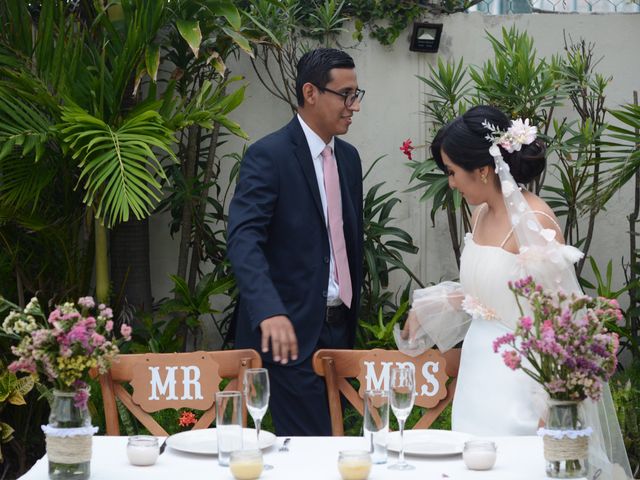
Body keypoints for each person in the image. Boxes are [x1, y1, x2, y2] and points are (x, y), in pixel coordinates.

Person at [395, 105, 632, 479]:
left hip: (519, 382)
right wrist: (430, 305)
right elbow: (488, 291)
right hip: (477, 378)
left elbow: (562, 318)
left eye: (453, 172)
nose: (451, 183)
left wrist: (553, 407)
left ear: (483, 170)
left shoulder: (534, 221)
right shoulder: (481, 214)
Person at [227, 48, 364, 436]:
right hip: (287, 332)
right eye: (346, 94)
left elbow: (346, 242)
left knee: (332, 442)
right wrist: (269, 310)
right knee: (315, 447)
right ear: (310, 92)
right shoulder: (268, 156)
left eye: (357, 95)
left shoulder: (349, 159)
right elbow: (242, 239)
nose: (354, 106)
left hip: (340, 328)